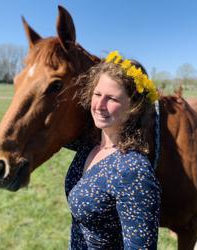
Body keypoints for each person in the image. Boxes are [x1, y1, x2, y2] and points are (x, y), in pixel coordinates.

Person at [65, 51, 161, 249]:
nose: (99, 105)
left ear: (134, 106)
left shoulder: (133, 171)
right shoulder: (88, 147)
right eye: (97, 94)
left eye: (112, 99)